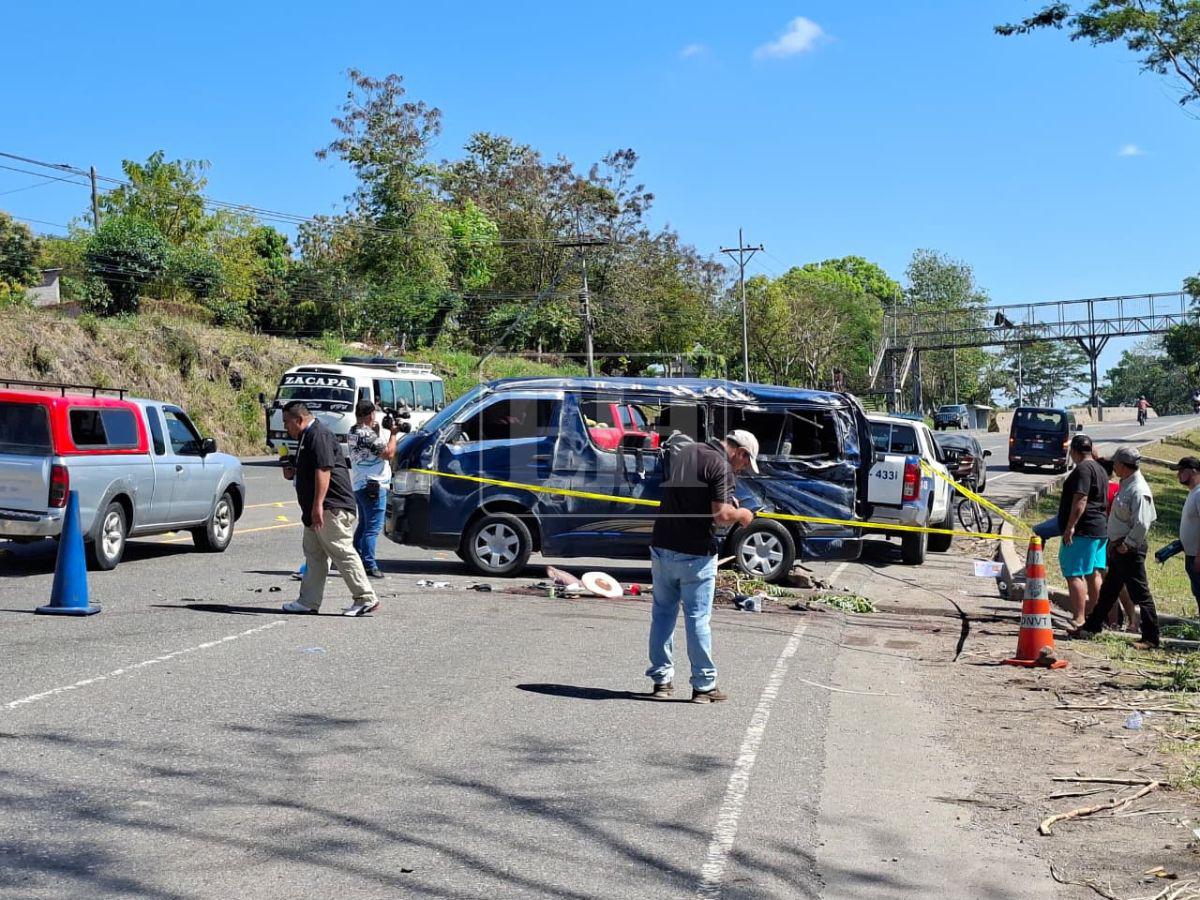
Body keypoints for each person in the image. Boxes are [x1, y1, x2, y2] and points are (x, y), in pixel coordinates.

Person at [646, 430, 758, 703]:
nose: (743, 468)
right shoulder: (722, 466)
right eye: (745, 462)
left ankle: (662, 681)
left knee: (662, 615)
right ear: (740, 453)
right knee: (697, 619)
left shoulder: (686, 451)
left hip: (662, 545)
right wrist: (742, 515)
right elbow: (721, 516)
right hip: (695, 553)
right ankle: (704, 685)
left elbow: (690, 495)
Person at [279, 401, 380, 617]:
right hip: (316, 510)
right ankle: (308, 601)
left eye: (287, 422)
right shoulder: (306, 437)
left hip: (330, 507)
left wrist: (317, 505)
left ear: (299, 419)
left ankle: (365, 598)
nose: (286, 427)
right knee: (314, 555)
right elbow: (308, 471)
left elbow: (324, 469)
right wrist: (293, 472)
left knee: (341, 550)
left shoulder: (319, 435)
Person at [1075, 447, 1160, 649]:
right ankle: (1092, 627)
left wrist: (1127, 545)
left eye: (1116, 463)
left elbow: (1142, 523)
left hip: (1128, 549)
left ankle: (1151, 637)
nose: (1113, 467)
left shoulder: (1138, 490)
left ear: (1123, 465)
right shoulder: (1127, 484)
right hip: (1118, 547)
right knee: (1109, 591)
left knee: (1141, 594)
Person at [1055, 435, 1109, 629]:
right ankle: (1096, 616)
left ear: (1075, 451)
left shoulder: (1083, 470)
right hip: (1099, 528)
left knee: (1074, 573)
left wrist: (1070, 527)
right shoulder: (1100, 469)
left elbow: (1081, 500)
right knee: (1093, 573)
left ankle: (1079, 617)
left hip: (1084, 530)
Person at [349, 400, 398, 578]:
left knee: (363, 525)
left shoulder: (354, 431)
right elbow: (389, 454)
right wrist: (393, 434)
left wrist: (377, 432)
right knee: (373, 528)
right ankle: (369, 564)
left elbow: (369, 449)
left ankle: (355, 558)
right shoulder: (367, 434)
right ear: (371, 415)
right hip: (374, 485)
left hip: (360, 484)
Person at [1177, 456, 1200, 617]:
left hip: (1197, 556)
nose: (1178, 475)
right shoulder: (1193, 492)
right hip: (1190, 554)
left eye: (1180, 471)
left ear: (1192, 471)